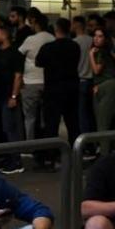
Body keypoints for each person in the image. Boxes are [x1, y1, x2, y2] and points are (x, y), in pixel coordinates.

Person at [36, 18, 81, 158]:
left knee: (51, 124)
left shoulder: (48, 47)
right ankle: (77, 153)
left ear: (56, 29)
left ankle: (51, 156)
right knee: (73, 123)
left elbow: (38, 62)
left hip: (53, 89)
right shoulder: (75, 46)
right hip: (72, 88)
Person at [0, 24, 24, 174]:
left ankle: (16, 161)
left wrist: (14, 96)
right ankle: (8, 158)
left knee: (11, 129)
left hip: (8, 97)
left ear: (4, 34)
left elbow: (18, 76)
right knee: (2, 129)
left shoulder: (15, 54)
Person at [17, 14, 54, 142]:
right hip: (48, 81)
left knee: (30, 117)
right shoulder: (52, 38)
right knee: (46, 117)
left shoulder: (30, 39)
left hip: (30, 82)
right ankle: (45, 143)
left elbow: (19, 55)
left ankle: (30, 146)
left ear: (36, 24)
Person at [89, 27, 115, 154]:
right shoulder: (107, 52)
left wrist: (91, 55)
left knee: (102, 124)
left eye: (100, 36)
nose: (96, 38)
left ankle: (104, 154)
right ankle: (105, 152)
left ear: (105, 39)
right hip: (104, 86)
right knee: (102, 122)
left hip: (106, 87)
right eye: (95, 36)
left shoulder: (100, 52)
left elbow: (96, 70)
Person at [72, 16, 95, 135]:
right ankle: (93, 140)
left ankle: (85, 142)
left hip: (80, 80)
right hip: (94, 80)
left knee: (82, 114)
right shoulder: (92, 40)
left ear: (76, 24)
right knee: (92, 113)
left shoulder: (74, 43)